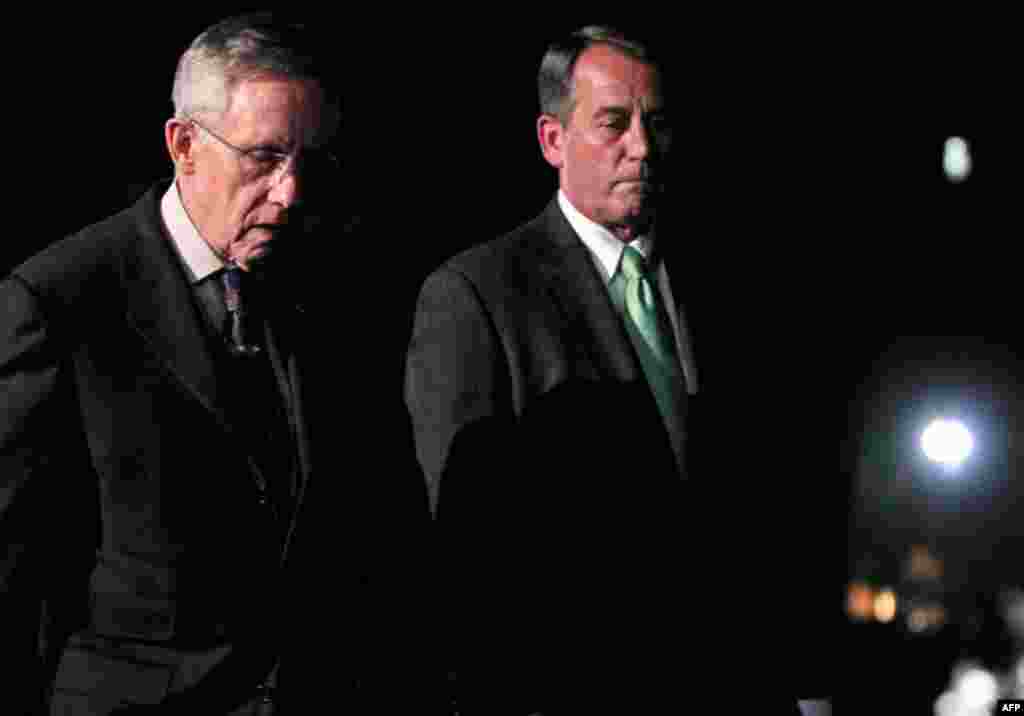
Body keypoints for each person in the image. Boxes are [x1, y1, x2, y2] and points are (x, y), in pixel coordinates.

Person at [405, 27, 806, 713]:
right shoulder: (477, 293)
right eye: (613, 123)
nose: (642, 147)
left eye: (656, 123)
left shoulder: (732, 290)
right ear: (552, 140)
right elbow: (463, 548)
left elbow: (770, 505)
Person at [0, 14, 344, 715]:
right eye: (263, 158)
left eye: (305, 161)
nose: (290, 192)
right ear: (184, 144)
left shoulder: (315, 287)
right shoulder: (60, 302)